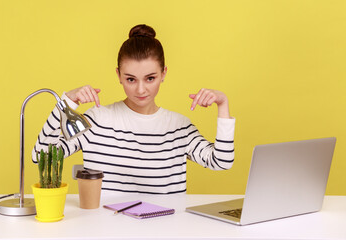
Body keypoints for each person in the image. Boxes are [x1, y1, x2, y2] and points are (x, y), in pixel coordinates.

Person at [32, 24, 235, 194]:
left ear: (163, 73)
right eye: (130, 79)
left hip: (166, 229)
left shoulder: (179, 127)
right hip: (106, 230)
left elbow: (221, 161)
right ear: (119, 75)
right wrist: (66, 102)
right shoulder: (96, 121)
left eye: (150, 78)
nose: (140, 89)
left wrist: (222, 103)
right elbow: (41, 155)